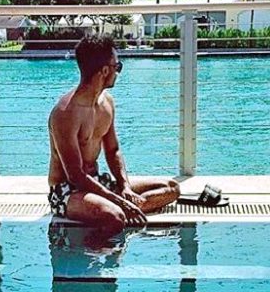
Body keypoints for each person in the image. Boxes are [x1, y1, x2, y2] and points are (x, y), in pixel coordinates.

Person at [47, 35, 180, 233]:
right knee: (115, 217)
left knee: (171, 188)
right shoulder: (65, 114)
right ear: (105, 71)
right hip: (67, 191)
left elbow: (113, 150)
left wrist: (125, 187)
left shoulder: (107, 103)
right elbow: (75, 176)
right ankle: (95, 251)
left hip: (98, 182)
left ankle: (130, 207)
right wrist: (119, 200)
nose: (118, 72)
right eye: (118, 66)